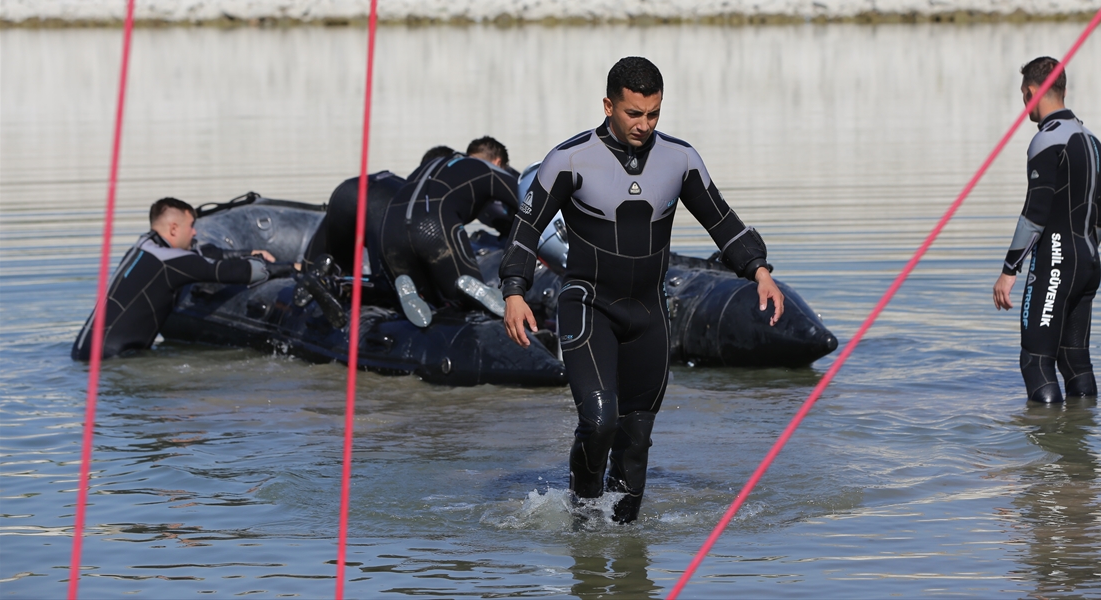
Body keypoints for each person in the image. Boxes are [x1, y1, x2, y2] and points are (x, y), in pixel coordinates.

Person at [500, 56, 785, 523]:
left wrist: (759, 270)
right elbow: (525, 229)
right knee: (598, 421)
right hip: (589, 305)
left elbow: (722, 221)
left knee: (635, 439)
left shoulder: (680, 159)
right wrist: (514, 290)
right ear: (609, 105)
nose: (644, 125)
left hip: (649, 314)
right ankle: (584, 520)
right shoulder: (568, 160)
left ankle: (628, 551)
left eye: (653, 114)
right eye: (634, 113)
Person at [304, 137, 521, 325]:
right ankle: (467, 291)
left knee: (411, 294)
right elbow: (529, 201)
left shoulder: (429, 171)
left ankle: (342, 283)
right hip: (433, 226)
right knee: (453, 302)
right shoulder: (487, 171)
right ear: (499, 162)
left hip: (391, 229)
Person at [993, 56, 1101, 403]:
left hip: (1055, 265)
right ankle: (1080, 451)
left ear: (1032, 92)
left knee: (1036, 361)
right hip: (1088, 263)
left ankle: (1044, 451)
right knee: (1075, 361)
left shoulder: (1046, 140)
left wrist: (1009, 270)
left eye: (1023, 95)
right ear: (1063, 90)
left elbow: (1035, 214)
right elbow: (1100, 216)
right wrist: (1081, 255)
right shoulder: (1092, 140)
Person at [72, 197, 281, 361]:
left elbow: (202, 254)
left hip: (84, 351)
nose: (195, 231)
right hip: (112, 360)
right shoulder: (170, 262)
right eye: (191, 225)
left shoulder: (144, 246)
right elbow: (244, 272)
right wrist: (290, 268)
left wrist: (248, 251)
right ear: (174, 228)